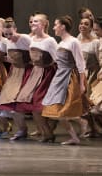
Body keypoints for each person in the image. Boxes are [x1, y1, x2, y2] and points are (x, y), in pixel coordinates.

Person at [13, 13, 58, 142]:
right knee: (32, 105)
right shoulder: (30, 39)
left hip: (46, 74)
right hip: (34, 73)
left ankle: (48, 131)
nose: (33, 23)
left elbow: (57, 60)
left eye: (37, 22)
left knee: (38, 105)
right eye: (32, 22)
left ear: (43, 24)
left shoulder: (50, 40)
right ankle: (46, 132)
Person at [42, 16, 86, 145]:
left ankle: (75, 134)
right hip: (59, 77)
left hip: (69, 77)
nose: (54, 27)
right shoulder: (60, 43)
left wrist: (82, 83)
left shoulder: (73, 42)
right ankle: (78, 126)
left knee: (60, 110)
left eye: (56, 25)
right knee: (53, 110)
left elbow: (80, 63)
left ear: (63, 26)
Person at [0, 17, 32, 140]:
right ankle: (22, 129)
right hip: (14, 73)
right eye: (6, 34)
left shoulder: (25, 39)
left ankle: (26, 129)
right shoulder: (7, 42)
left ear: (15, 29)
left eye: (11, 33)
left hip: (26, 72)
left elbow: (35, 53)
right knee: (9, 104)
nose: (9, 36)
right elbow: (10, 58)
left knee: (19, 104)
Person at [77, 13, 100, 138]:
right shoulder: (77, 40)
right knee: (82, 102)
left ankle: (94, 128)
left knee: (88, 102)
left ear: (91, 28)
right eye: (81, 23)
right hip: (79, 74)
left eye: (86, 24)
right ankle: (92, 128)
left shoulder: (95, 42)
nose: (83, 26)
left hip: (91, 74)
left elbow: (99, 60)